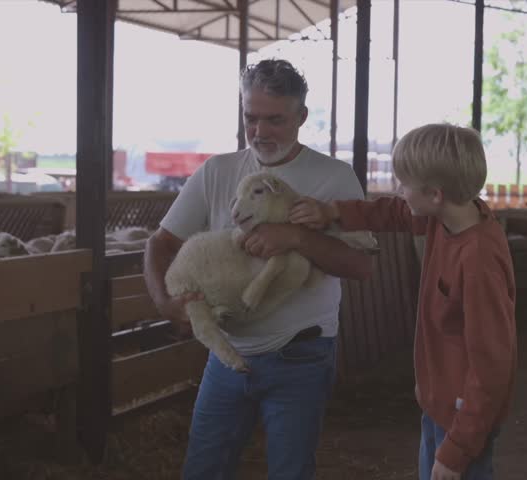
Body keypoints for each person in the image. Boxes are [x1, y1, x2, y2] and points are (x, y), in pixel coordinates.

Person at [143, 58, 373, 480]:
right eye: (251, 118)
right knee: (203, 469)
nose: (260, 132)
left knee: (290, 471)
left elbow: (360, 265)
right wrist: (163, 301)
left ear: (301, 116)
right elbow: (161, 243)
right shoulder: (218, 172)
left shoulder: (333, 177)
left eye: (275, 120)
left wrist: (299, 238)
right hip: (226, 353)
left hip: (300, 353)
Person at [290, 123, 517, 480]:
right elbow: (393, 213)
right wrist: (332, 212)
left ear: (435, 195)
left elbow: (493, 366)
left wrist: (457, 450)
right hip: (440, 403)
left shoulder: (477, 261)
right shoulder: (447, 218)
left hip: (464, 418)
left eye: (404, 184)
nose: (399, 190)